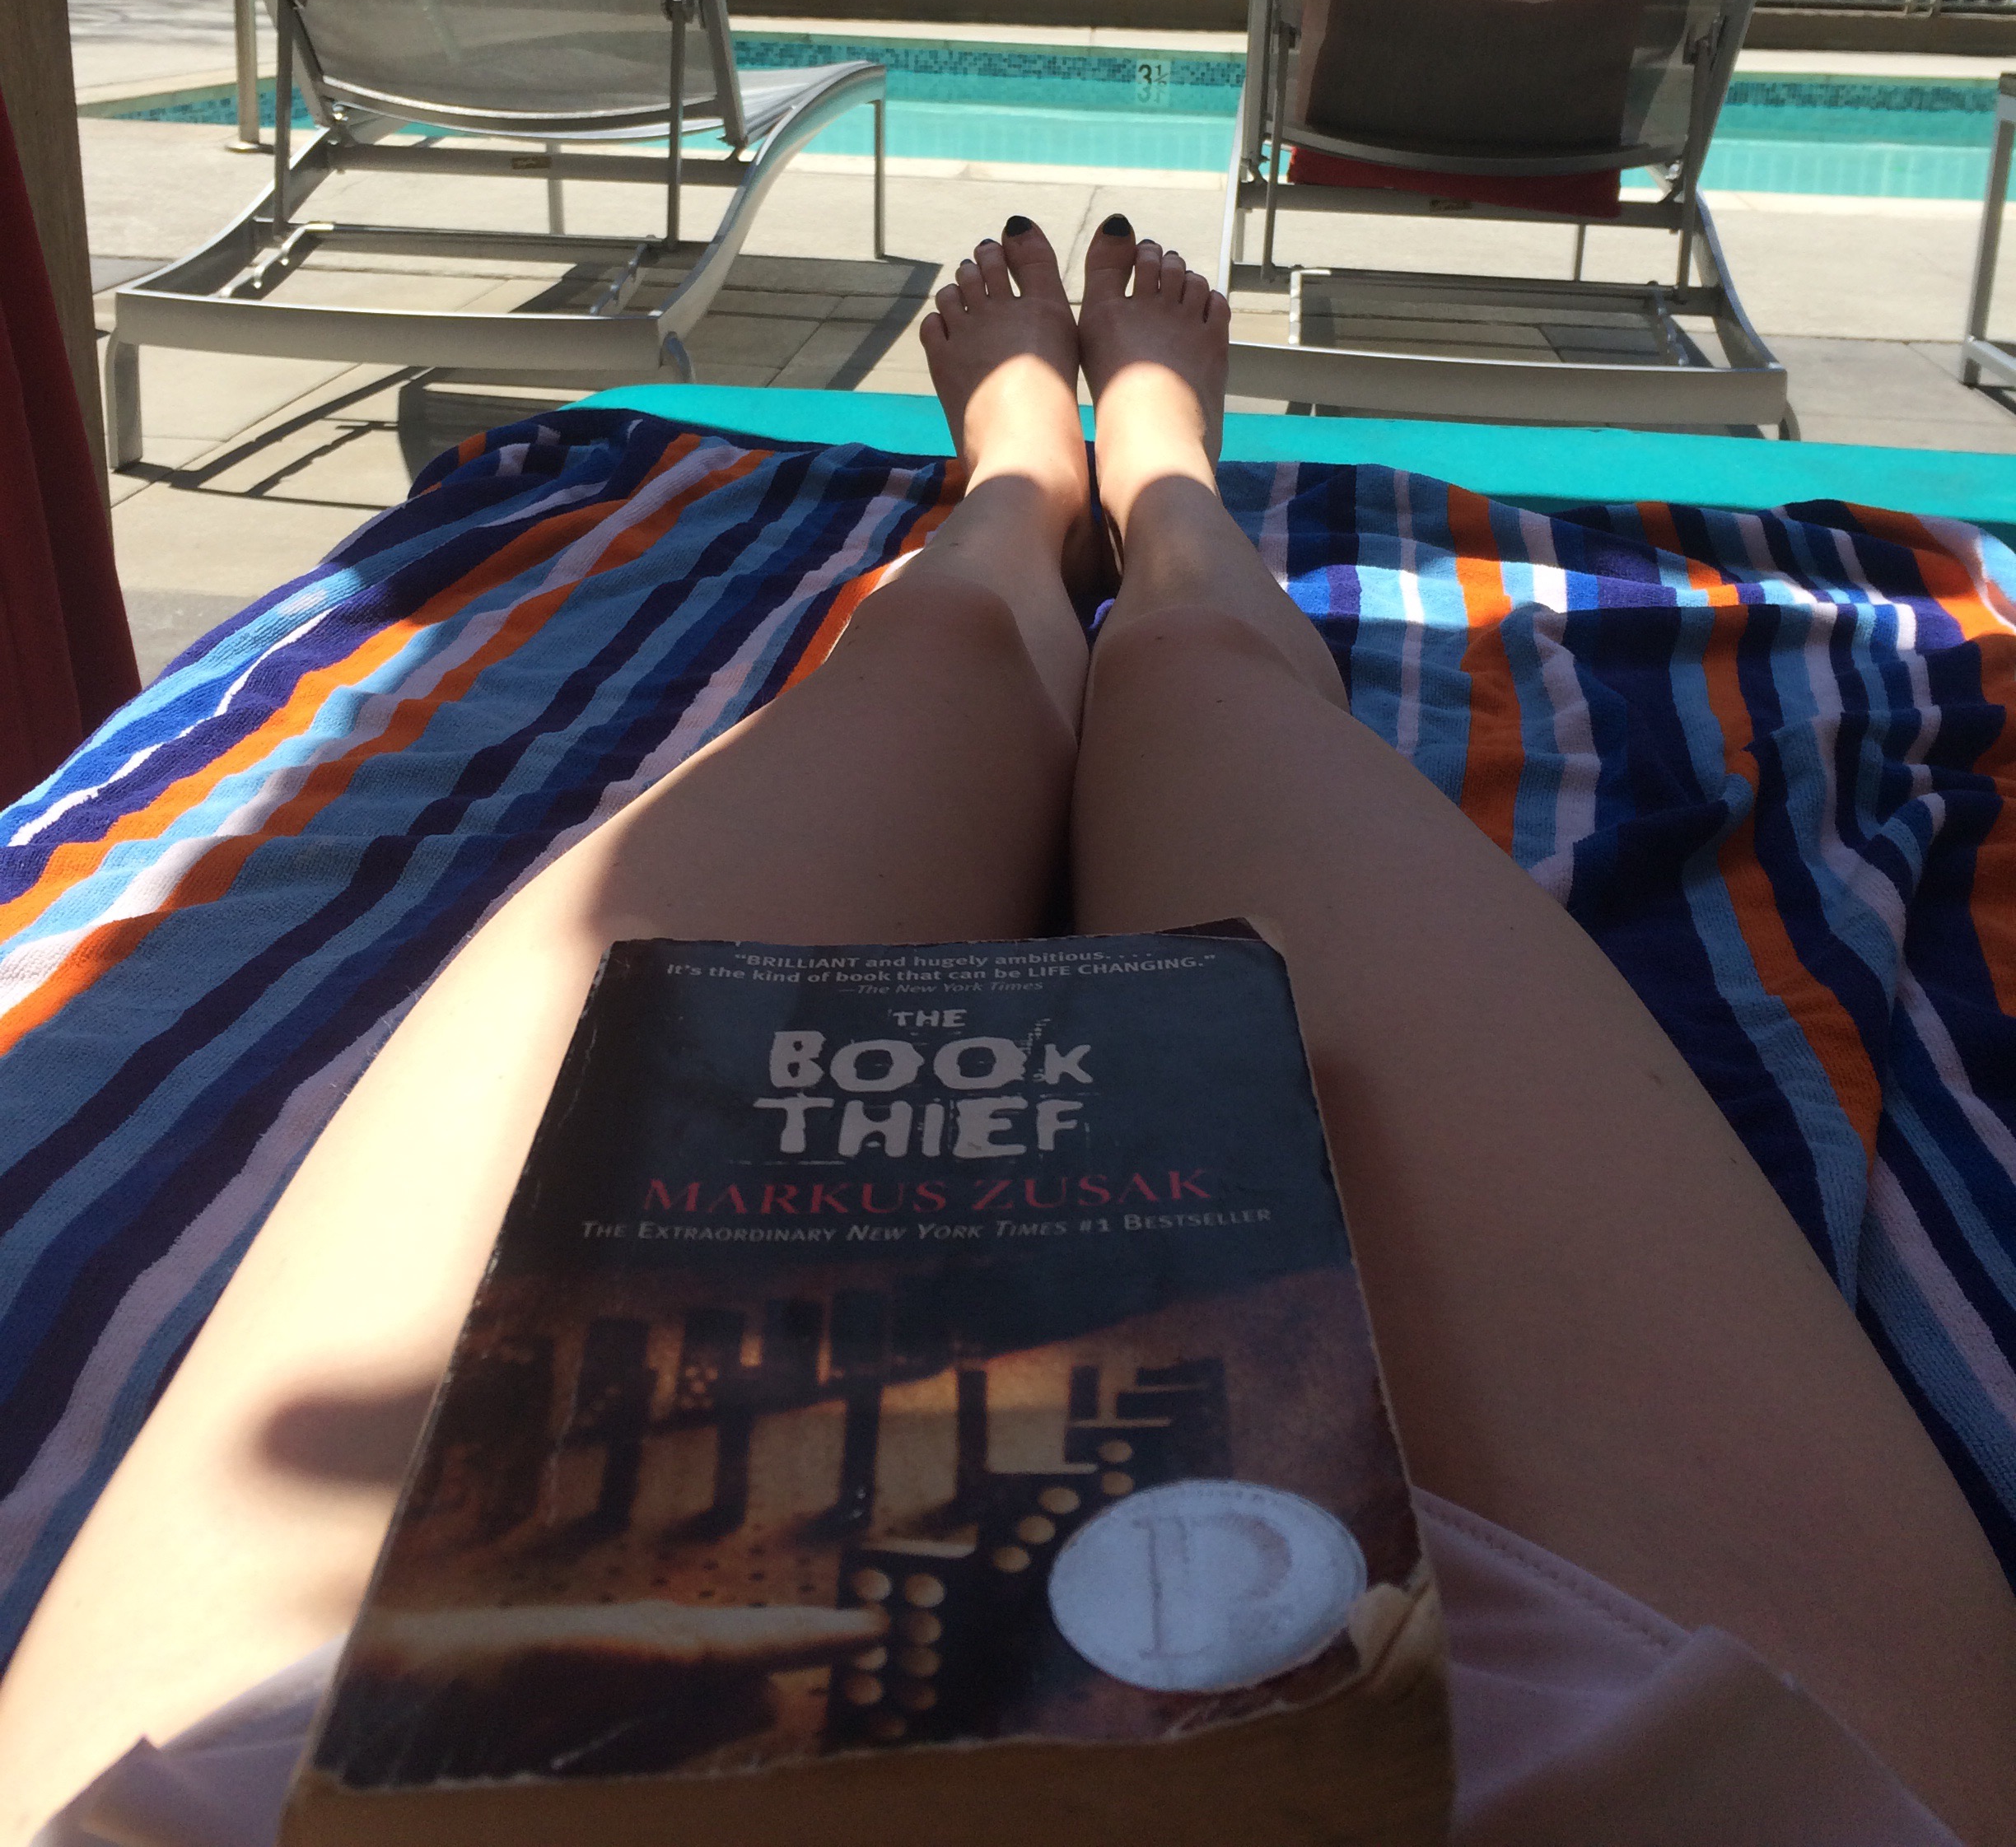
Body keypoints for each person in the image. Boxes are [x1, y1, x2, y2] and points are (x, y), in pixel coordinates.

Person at [2, 216, 2014, 1847]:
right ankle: (1151, 495)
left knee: (933, 662)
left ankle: (1025, 501)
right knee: (1206, 686)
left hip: (372, 1744)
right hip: (1629, 1757)